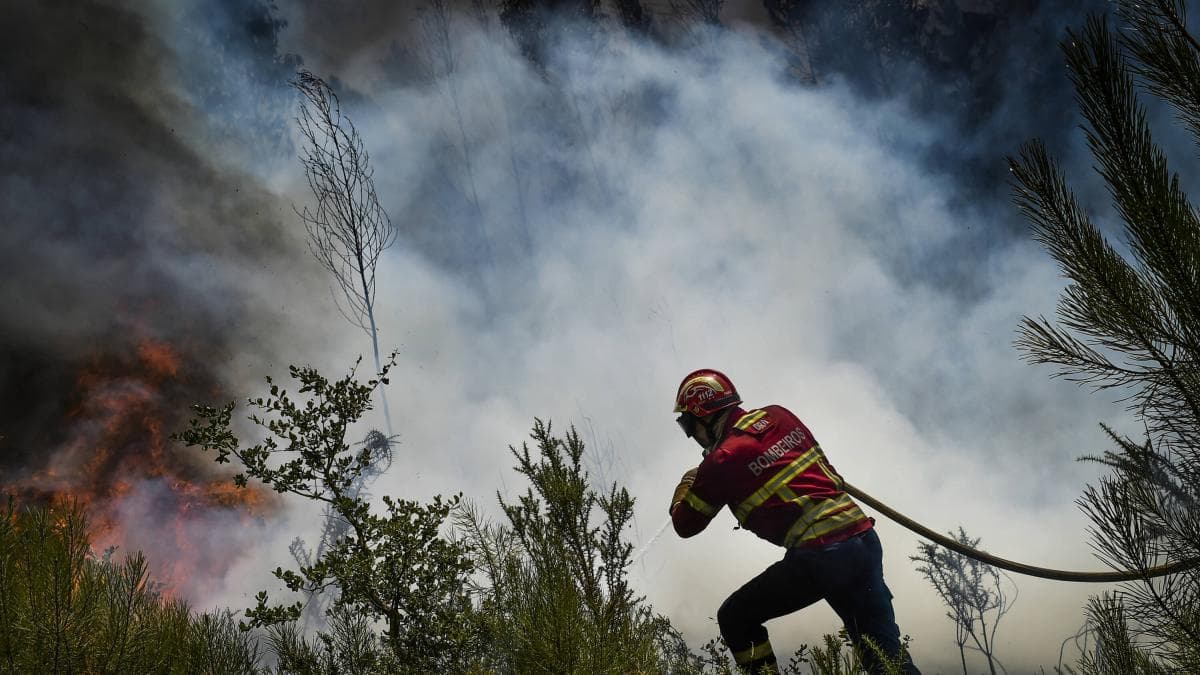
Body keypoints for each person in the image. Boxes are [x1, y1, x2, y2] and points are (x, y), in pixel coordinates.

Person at [669, 369, 920, 675]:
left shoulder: (722, 460)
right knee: (885, 657)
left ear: (703, 416)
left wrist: (686, 485)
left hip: (823, 554)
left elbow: (685, 525)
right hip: (862, 541)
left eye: (687, 425)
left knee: (736, 618)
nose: (691, 435)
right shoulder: (778, 416)